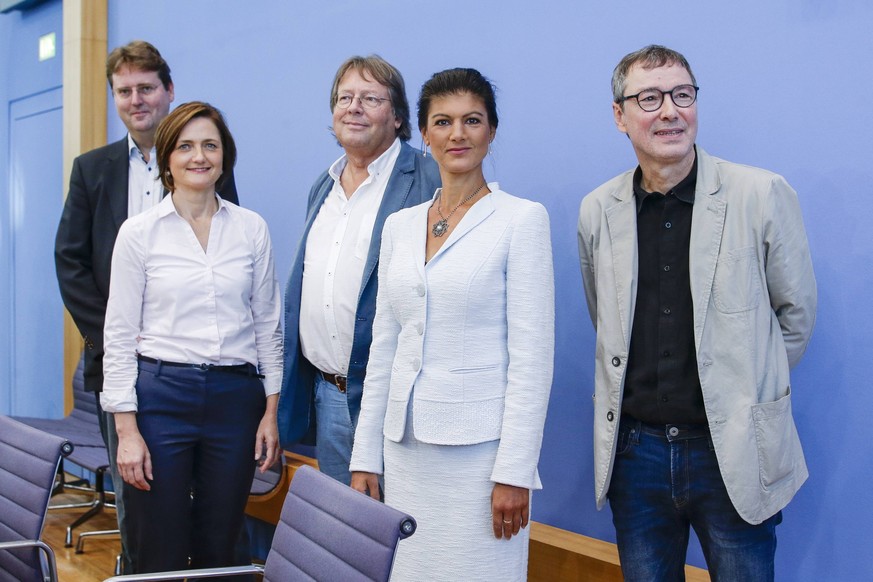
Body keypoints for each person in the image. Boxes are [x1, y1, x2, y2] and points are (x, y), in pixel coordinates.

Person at [577, 45, 817, 581]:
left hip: (731, 448)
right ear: (620, 115)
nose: (669, 111)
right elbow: (607, 320)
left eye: (682, 95)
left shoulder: (760, 194)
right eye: (650, 98)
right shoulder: (599, 210)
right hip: (634, 456)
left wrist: (746, 389)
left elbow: (795, 317)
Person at [350, 68, 554, 581]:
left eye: (472, 121)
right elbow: (385, 351)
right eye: (442, 121)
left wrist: (514, 473)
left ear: (491, 130)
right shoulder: (400, 226)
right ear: (423, 132)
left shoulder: (521, 219)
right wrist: (364, 456)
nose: (457, 134)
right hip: (404, 451)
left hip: (479, 459)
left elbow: (532, 362)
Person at [54, 40, 239, 571]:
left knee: (208, 517)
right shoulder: (93, 169)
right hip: (123, 367)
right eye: (124, 91)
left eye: (146, 88)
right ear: (115, 97)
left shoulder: (206, 161)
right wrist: (115, 337)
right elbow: (71, 263)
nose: (136, 100)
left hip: (194, 372)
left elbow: (225, 256)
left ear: (168, 90)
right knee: (141, 509)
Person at [100, 101, 281, 576]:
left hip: (234, 400)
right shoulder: (137, 234)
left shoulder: (251, 229)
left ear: (225, 156)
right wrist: (126, 431)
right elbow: (118, 336)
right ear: (167, 159)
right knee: (156, 541)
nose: (198, 156)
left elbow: (268, 326)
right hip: (161, 398)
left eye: (210, 145)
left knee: (221, 543)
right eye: (185, 146)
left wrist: (270, 412)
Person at [278, 55, 440, 484]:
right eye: (345, 97)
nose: (354, 107)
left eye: (370, 98)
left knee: (403, 536)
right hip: (329, 395)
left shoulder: (429, 179)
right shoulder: (323, 185)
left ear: (399, 117)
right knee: (349, 535)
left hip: (396, 401)